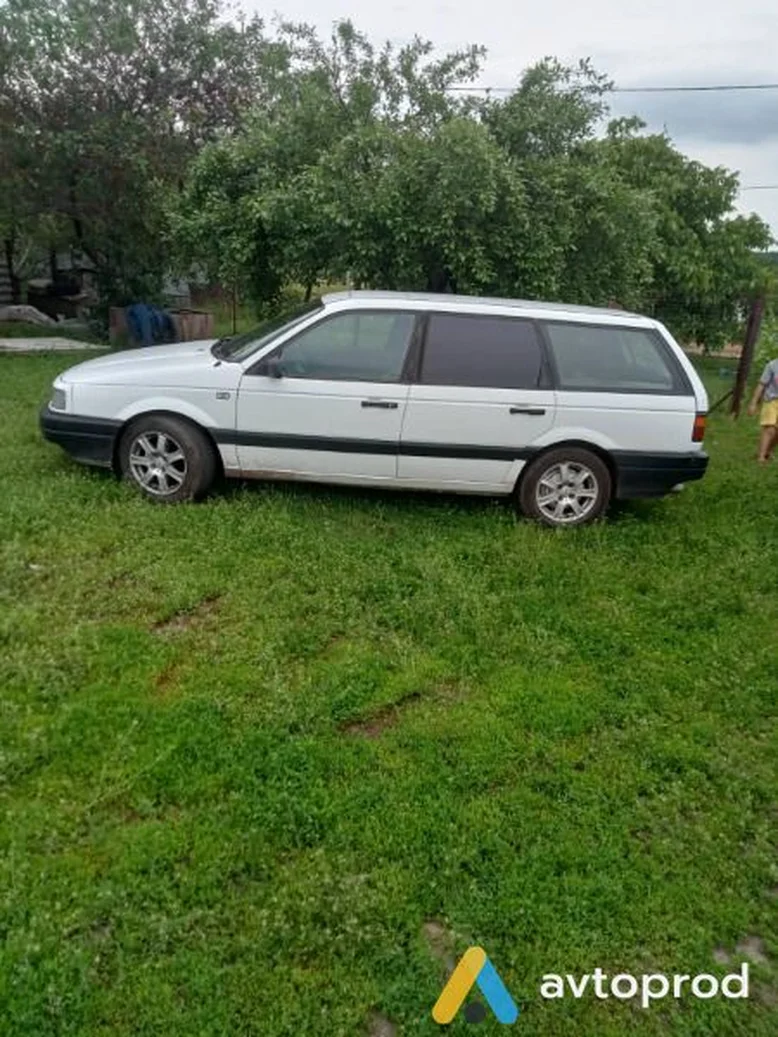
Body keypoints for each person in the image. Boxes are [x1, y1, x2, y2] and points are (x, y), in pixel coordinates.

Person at [748, 356, 778, 463]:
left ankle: (768, 452)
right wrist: (753, 403)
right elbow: (761, 384)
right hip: (771, 400)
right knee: (770, 428)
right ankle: (760, 457)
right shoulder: (772, 365)